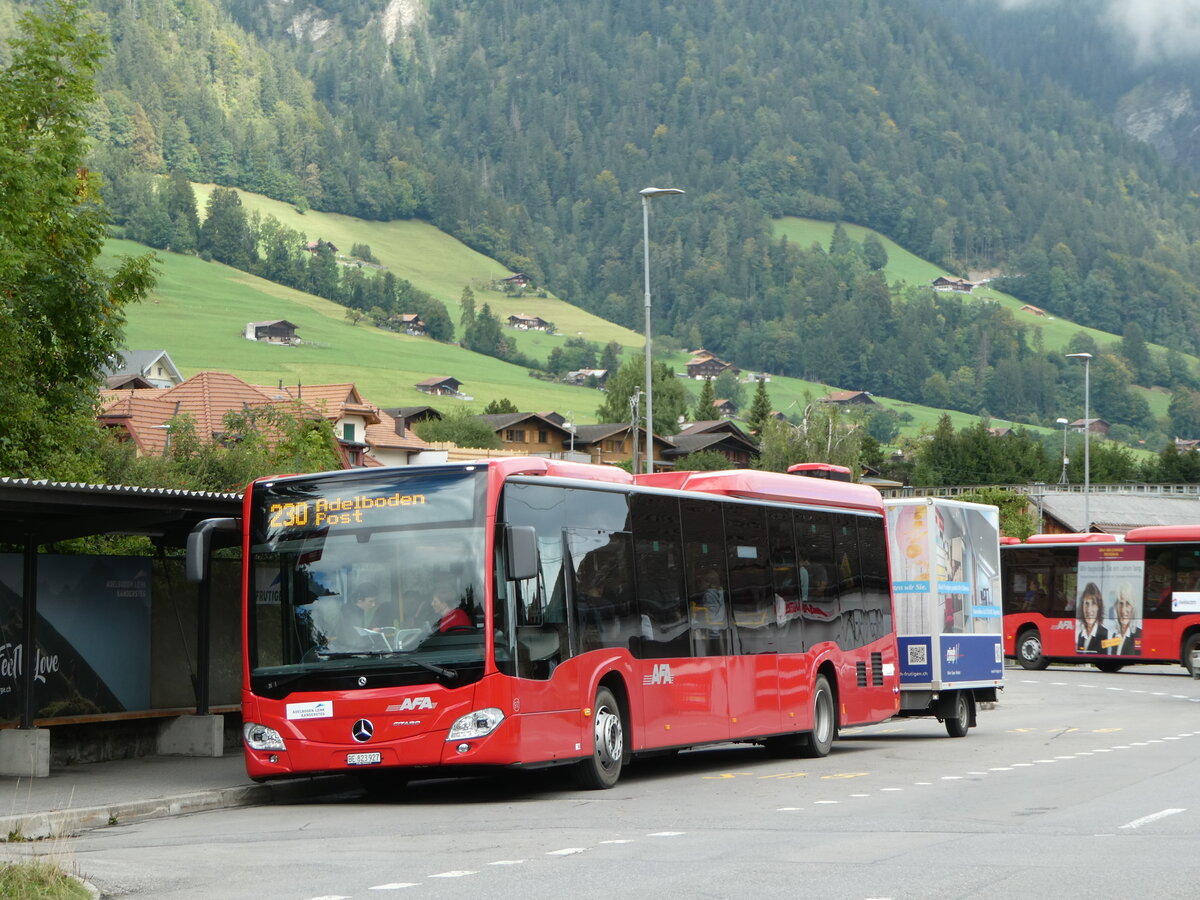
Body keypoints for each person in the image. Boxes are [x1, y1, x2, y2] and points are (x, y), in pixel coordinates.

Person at [1108, 584, 1142, 656]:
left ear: (1133, 607)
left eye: (1127, 604)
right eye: (1121, 604)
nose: (1123, 610)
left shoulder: (1139, 634)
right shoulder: (1115, 635)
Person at [1076, 582, 1108, 653]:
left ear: (1098, 607)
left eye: (1093, 604)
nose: (1089, 610)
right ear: (1082, 607)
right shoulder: (1081, 635)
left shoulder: (1105, 634)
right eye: (1086, 604)